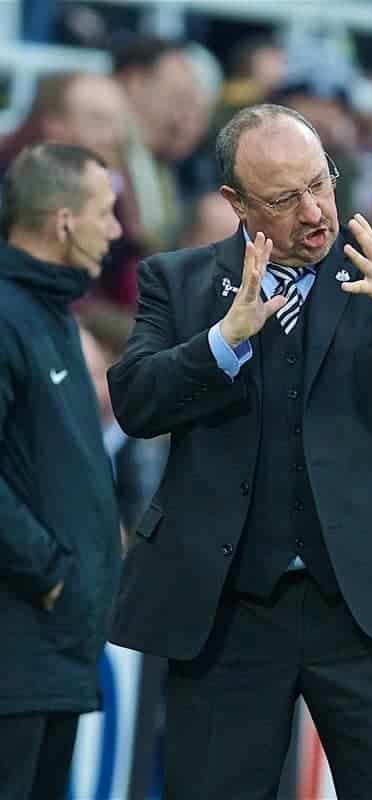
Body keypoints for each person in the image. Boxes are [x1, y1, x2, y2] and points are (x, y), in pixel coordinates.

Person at [107, 104, 372, 799]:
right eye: (284, 198)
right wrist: (225, 340)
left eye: (321, 183)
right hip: (227, 613)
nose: (315, 211)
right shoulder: (180, 282)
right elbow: (135, 403)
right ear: (236, 204)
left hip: (369, 608)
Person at [0, 143, 123, 800]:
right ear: (63, 221)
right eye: (105, 213)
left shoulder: (50, 315)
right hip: (16, 651)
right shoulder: (7, 315)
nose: (117, 229)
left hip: (52, 652)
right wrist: (48, 572)